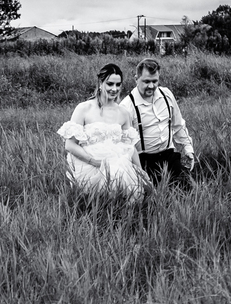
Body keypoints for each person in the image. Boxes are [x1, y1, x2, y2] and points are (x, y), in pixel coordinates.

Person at [56, 63, 151, 203]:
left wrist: (141, 171)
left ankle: (124, 217)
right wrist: (95, 162)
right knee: (105, 188)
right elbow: (70, 145)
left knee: (124, 182)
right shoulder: (84, 109)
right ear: (100, 83)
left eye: (118, 85)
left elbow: (129, 148)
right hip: (90, 164)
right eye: (110, 84)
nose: (114, 89)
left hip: (118, 163)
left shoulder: (123, 113)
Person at [125, 58, 195, 188]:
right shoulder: (127, 106)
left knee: (190, 189)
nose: (151, 86)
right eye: (146, 81)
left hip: (169, 155)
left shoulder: (167, 94)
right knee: (155, 196)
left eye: (154, 81)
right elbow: (126, 145)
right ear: (136, 79)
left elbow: (178, 125)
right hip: (145, 160)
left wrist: (188, 148)